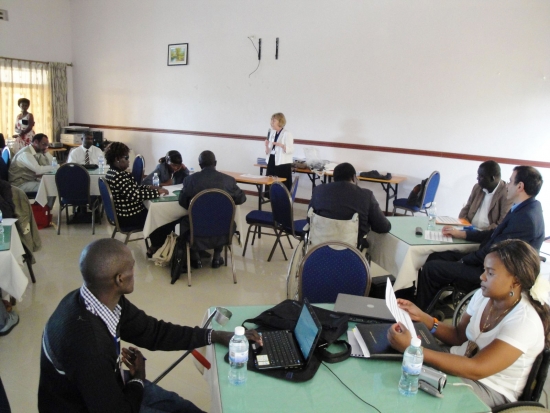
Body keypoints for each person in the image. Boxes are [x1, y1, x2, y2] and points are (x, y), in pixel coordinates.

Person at [38, 238, 262, 412]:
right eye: (132, 268)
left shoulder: (98, 298)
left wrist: (214, 335)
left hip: (105, 389)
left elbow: (155, 333)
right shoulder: (88, 345)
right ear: (120, 280)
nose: (135, 272)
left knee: (186, 409)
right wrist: (137, 379)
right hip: (84, 406)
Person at [388, 239, 550, 408]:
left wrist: (414, 350)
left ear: (516, 282)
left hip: (488, 387)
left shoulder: (525, 321)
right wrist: (424, 318)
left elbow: (477, 368)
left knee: (414, 396)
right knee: (396, 368)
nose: (482, 277)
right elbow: (459, 336)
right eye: (484, 270)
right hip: (459, 362)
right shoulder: (483, 295)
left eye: (490, 273)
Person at [415, 165, 545, 311]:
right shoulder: (525, 208)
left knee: (431, 268)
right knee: (435, 256)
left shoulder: (525, 218)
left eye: (510, 181)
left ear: (520, 186)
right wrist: (463, 234)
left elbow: (497, 250)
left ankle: (419, 314)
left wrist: (464, 260)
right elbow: (494, 234)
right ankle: (431, 303)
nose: (507, 185)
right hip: (488, 262)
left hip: (496, 273)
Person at [104, 142, 175, 257]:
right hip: (129, 217)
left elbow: (132, 188)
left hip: (122, 214)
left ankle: (157, 245)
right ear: (117, 159)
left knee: (156, 213)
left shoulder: (112, 173)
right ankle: (158, 247)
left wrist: (149, 187)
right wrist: (156, 192)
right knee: (165, 216)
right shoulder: (120, 176)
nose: (128, 161)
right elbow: (135, 195)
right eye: (126, 158)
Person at [178, 150, 246, 268]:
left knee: (185, 222)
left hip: (198, 229)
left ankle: (195, 257)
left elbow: (183, 202)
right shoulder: (229, 180)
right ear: (215, 163)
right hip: (223, 229)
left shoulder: (190, 180)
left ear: (200, 165)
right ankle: (217, 256)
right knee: (221, 220)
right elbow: (241, 199)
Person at [309, 162, 391, 247]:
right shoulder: (366, 195)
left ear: (334, 178)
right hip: (352, 249)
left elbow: (309, 218)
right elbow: (383, 227)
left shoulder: (318, 191)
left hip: (320, 246)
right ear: (354, 177)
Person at [459, 160, 512, 230]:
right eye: (478, 175)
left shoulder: (507, 193)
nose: (477, 178)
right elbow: (466, 208)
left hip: (486, 235)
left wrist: (478, 233)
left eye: (481, 176)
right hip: (469, 229)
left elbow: (501, 224)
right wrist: (463, 226)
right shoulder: (477, 187)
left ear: (492, 178)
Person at [265, 113, 294, 191]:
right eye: (271, 120)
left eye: (274, 121)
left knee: (281, 186)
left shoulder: (287, 133)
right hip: (272, 160)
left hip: (282, 163)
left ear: (280, 122)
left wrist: (281, 145)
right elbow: (267, 151)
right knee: (270, 182)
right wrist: (266, 145)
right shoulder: (272, 133)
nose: (271, 123)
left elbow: (291, 150)